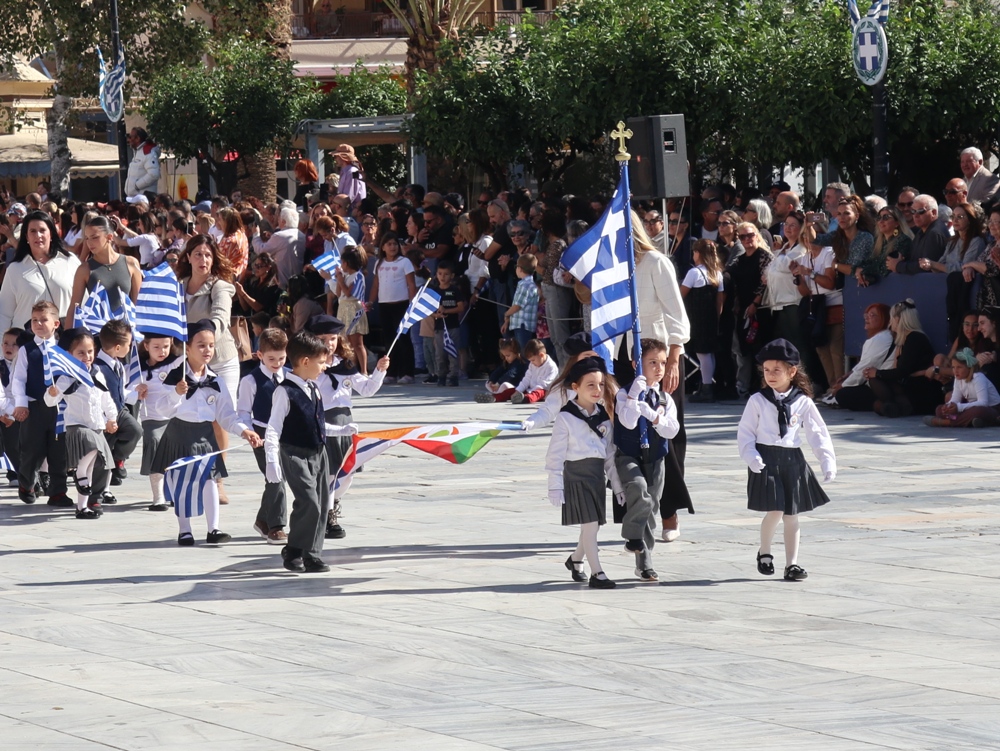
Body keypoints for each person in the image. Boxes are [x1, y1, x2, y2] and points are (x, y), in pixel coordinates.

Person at [153, 319, 262, 546]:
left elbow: (227, 415)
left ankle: (214, 529)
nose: (207, 350)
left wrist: (245, 431)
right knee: (182, 482)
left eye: (211, 345)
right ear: (188, 347)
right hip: (180, 434)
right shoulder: (173, 376)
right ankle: (185, 530)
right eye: (201, 345)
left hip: (205, 436)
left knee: (210, 480)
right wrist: (176, 393)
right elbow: (161, 410)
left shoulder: (217, 381)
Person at [738, 339, 836, 582]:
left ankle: (792, 564)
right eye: (766, 370)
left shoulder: (802, 402)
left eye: (776, 370)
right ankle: (765, 552)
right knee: (775, 511)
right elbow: (746, 432)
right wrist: (751, 456)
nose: (770, 375)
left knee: (792, 514)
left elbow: (817, 432)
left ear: (792, 372)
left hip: (793, 460)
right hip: (766, 458)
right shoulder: (758, 400)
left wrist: (827, 460)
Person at [305, 315, 388, 540]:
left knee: (347, 473)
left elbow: (368, 389)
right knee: (328, 474)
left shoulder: (346, 366)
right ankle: (328, 515)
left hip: (345, 424)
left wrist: (379, 371)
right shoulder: (308, 366)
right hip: (322, 423)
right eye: (323, 338)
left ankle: (332, 500)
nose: (329, 343)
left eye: (333, 338)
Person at [545, 356, 622, 589]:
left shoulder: (604, 418)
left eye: (600, 384)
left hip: (597, 477)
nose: (597, 390)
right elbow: (555, 455)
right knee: (589, 525)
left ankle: (576, 559)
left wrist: (617, 486)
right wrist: (555, 485)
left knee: (593, 525)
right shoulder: (566, 417)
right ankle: (597, 573)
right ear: (575, 387)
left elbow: (609, 456)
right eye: (590, 385)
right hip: (576, 476)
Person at [263, 332, 335, 572]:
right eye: (321, 362)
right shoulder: (284, 391)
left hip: (318, 452)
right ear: (305, 361)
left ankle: (312, 554)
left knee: (323, 503)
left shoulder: (314, 388)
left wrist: (343, 428)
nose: (324, 367)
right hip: (294, 453)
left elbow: (316, 421)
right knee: (309, 502)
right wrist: (272, 461)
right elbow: (273, 428)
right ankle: (294, 549)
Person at [614, 339, 679, 582]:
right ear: (636, 364)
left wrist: (653, 416)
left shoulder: (664, 398)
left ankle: (644, 563)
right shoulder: (624, 392)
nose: (659, 368)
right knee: (640, 490)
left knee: (651, 508)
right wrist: (633, 396)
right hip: (630, 455)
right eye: (652, 362)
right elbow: (628, 422)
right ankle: (632, 536)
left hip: (655, 458)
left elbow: (672, 430)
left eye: (662, 363)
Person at [43, 328, 119, 519]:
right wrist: (51, 394)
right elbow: (51, 400)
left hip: (96, 425)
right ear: (70, 355)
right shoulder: (67, 377)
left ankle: (82, 506)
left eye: (90, 351)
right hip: (77, 426)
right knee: (91, 448)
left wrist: (112, 418)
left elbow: (106, 398)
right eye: (81, 352)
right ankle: (79, 472)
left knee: (94, 465)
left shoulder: (97, 373)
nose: (87, 356)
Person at [11, 301, 70, 506]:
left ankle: (57, 492)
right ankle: (26, 483)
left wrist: (59, 390)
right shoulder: (27, 350)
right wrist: (21, 404)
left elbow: (69, 375)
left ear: (55, 323)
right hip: (34, 407)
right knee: (31, 449)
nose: (38, 324)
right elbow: (18, 379)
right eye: (35, 320)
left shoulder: (63, 349)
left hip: (58, 408)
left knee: (58, 450)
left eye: (43, 320)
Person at [238, 328, 289, 543]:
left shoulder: (289, 375)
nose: (277, 363)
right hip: (262, 435)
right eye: (271, 359)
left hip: (286, 434)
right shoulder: (250, 381)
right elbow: (242, 412)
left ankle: (262, 520)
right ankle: (276, 526)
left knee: (276, 477)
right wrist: (249, 432)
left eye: (281, 358)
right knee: (276, 477)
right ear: (260, 355)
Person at [0, 210, 80, 332]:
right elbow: (4, 314)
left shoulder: (70, 262)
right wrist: (3, 348)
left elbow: (84, 305)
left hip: (63, 344)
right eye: (32, 231)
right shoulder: (15, 269)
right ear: (26, 236)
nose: (38, 235)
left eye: (42, 230)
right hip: (26, 345)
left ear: (51, 234)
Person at [862, 300, 941, 417]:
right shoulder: (902, 339)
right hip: (909, 385)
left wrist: (877, 373)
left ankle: (899, 406)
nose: (890, 321)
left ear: (898, 319)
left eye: (892, 318)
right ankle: (894, 406)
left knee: (876, 382)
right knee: (878, 403)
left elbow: (902, 371)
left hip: (921, 390)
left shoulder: (915, 338)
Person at [135, 331, 183, 511]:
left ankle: (175, 492)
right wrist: (135, 391)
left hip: (173, 416)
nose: (162, 351)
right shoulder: (137, 367)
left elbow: (192, 359)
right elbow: (125, 386)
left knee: (176, 453)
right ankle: (158, 496)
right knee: (154, 443)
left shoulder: (176, 363)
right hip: (152, 417)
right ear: (146, 346)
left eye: (166, 346)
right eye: (156, 347)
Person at [67, 216, 142, 328]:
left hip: (127, 335)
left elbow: (138, 304)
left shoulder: (131, 263)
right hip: (98, 335)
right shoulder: (84, 269)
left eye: (94, 237)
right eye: (87, 238)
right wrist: (67, 339)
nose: (89, 243)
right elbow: (74, 307)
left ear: (109, 237)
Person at [92, 319, 141, 489]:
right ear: (118, 347)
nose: (130, 347)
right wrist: (105, 418)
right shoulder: (97, 368)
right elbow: (97, 397)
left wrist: (136, 394)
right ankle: (101, 484)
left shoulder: (119, 365)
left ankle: (118, 458)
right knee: (103, 449)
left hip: (120, 411)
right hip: (104, 415)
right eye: (128, 343)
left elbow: (121, 391)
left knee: (135, 430)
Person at [680, 239, 725, 402]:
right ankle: (707, 385)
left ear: (698, 253)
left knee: (702, 352)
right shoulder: (717, 273)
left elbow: (681, 294)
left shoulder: (694, 273)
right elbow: (720, 300)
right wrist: (717, 318)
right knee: (708, 352)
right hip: (711, 317)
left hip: (697, 317)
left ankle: (707, 387)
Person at [369, 232, 416, 384]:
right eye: (389, 244)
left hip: (401, 305)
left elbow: (411, 284)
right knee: (388, 339)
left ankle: (407, 372)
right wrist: (370, 301)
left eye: (395, 244)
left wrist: (412, 303)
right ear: (382, 247)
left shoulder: (405, 262)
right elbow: (376, 285)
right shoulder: (379, 263)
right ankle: (392, 372)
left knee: (403, 339)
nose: (392, 247)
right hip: (384, 305)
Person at [731, 222, 772, 398]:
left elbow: (766, 283)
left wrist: (755, 303)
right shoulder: (740, 259)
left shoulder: (764, 256)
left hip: (761, 308)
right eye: (743, 237)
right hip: (743, 309)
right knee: (743, 349)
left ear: (757, 235)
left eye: (750, 235)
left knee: (761, 348)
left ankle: (765, 385)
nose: (748, 239)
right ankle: (744, 387)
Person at [830, 303, 894, 411]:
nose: (867, 318)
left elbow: (864, 369)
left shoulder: (880, 339)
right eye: (866, 315)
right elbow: (863, 365)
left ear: (884, 319)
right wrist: (848, 374)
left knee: (843, 394)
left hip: (883, 386)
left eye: (872, 315)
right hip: (882, 382)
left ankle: (881, 406)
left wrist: (843, 386)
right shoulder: (881, 337)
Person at [923, 348, 1000, 428]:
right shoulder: (958, 379)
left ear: (969, 367)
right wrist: (949, 407)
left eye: (959, 367)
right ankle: (975, 421)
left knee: (978, 411)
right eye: (953, 367)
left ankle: (947, 422)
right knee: (939, 409)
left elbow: (983, 403)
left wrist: (958, 407)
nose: (955, 371)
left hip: (992, 409)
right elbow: (955, 399)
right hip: (971, 407)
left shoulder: (978, 377)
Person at [330, 248, 368, 375]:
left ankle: (363, 371)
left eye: (342, 262)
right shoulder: (345, 276)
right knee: (345, 342)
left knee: (357, 343)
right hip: (343, 309)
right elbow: (339, 293)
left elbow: (348, 292)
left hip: (354, 309)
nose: (341, 265)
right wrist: (338, 279)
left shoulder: (358, 276)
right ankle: (351, 369)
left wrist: (341, 280)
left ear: (347, 263)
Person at [489, 338, 556, 403]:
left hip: (543, 391)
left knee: (539, 392)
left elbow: (543, 385)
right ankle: (495, 397)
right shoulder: (532, 364)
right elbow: (526, 379)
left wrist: (529, 392)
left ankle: (526, 399)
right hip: (529, 390)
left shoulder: (551, 367)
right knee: (511, 391)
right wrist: (517, 391)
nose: (531, 363)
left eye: (533, 360)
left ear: (541, 355)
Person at [858, 206, 912, 286]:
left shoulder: (903, 241)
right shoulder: (879, 243)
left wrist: (865, 270)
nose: (881, 221)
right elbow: (868, 262)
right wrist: (857, 269)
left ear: (897, 222)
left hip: (899, 287)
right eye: (879, 218)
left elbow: (885, 268)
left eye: (886, 217)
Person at [431, 260, 465, 387]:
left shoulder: (455, 290)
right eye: (440, 274)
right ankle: (441, 376)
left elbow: (461, 307)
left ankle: (453, 376)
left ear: (451, 276)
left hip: (453, 327)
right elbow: (430, 311)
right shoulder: (434, 291)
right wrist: (436, 315)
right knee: (439, 354)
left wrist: (447, 311)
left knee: (453, 353)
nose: (442, 277)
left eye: (446, 274)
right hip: (439, 328)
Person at [261, 207, 305, 288]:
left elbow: (261, 250)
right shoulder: (302, 235)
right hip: (298, 282)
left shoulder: (279, 235)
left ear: (283, 221)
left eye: (279, 219)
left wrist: (255, 235)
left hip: (282, 283)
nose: (277, 221)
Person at [502, 254, 539, 351]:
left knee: (524, 352)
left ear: (520, 268)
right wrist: (507, 321)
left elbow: (518, 306)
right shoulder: (531, 284)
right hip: (525, 324)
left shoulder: (524, 285)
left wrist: (506, 313)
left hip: (522, 324)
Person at [0, 327, 22, 485]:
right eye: (6, 343)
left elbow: (22, 393)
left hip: (17, 412)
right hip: (2, 411)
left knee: (15, 442)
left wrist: (13, 415)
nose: (9, 347)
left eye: (14, 344)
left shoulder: (23, 367)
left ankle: (15, 472)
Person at [476, 338, 527, 402]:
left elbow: (510, 374)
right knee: (488, 383)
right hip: (504, 386)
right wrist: (492, 380)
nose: (506, 358)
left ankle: (494, 397)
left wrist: (499, 383)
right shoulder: (506, 363)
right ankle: (494, 394)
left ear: (516, 353)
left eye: (508, 356)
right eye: (504, 356)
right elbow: (498, 371)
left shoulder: (519, 363)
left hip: (517, 386)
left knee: (505, 387)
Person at [234, 251, 282, 318]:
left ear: (268, 267)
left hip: (266, 322)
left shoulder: (273, 287)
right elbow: (246, 308)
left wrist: (243, 293)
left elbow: (259, 308)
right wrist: (239, 293)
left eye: (259, 266)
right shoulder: (255, 283)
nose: (256, 269)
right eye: (256, 265)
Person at [124, 127, 161, 199]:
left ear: (137, 138)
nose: (128, 139)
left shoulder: (148, 153)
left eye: (130, 136)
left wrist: (137, 185)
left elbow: (154, 174)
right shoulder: (139, 152)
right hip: (136, 198)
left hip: (143, 199)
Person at [215, 207, 249, 280]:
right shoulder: (242, 234)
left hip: (227, 278)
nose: (218, 222)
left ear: (226, 221)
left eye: (220, 220)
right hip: (239, 276)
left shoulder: (229, 241)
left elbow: (217, 260)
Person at [331, 145, 366, 210]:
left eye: (336, 156)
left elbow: (348, 198)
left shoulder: (351, 172)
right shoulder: (345, 171)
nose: (335, 159)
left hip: (351, 211)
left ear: (343, 157)